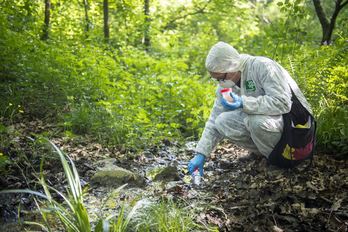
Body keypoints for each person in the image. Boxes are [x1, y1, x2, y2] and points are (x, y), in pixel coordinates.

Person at [188, 41, 313, 176]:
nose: (220, 83)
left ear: (232, 67)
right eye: (216, 80)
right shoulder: (226, 86)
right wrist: (201, 153)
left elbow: (282, 103)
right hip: (271, 123)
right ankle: (265, 154)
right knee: (222, 121)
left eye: (221, 78)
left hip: (296, 127)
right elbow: (213, 119)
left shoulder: (262, 66)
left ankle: (280, 162)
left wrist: (244, 103)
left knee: (255, 121)